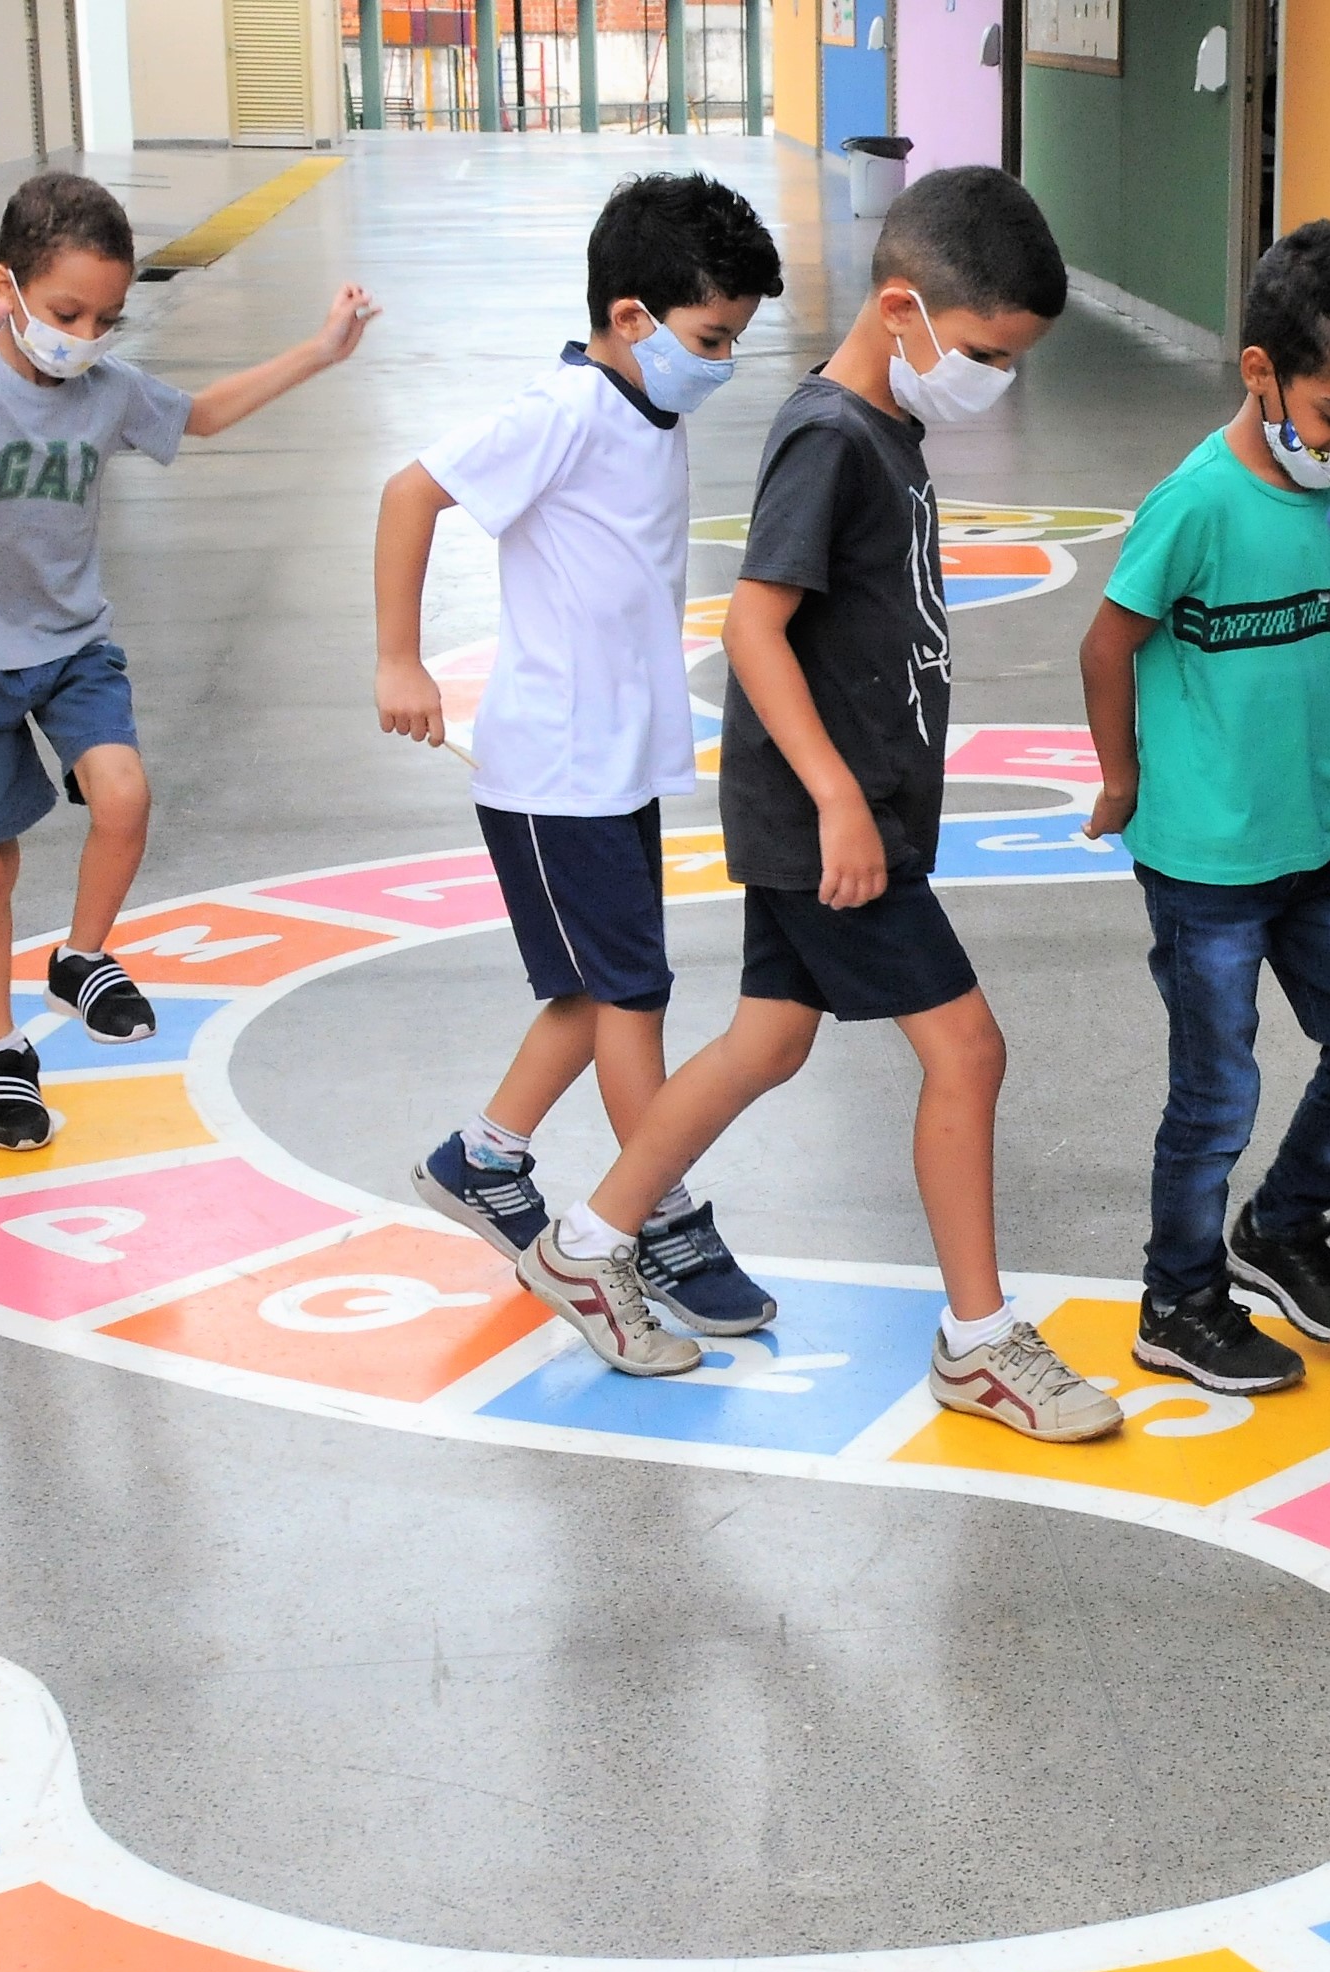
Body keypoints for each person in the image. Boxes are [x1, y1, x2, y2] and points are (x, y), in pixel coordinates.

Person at [516, 166, 1122, 1444]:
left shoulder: (885, 428)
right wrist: (842, 802)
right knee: (968, 1049)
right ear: (900, 307)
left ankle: (586, 1240)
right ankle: (976, 1339)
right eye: (981, 352)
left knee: (766, 1042)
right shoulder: (828, 435)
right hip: (829, 826)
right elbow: (751, 626)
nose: (991, 380)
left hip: (846, 818)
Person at [0, 170, 374, 1151]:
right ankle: (1, 1049)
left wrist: (319, 349)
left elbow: (204, 415)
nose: (87, 335)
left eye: (107, 317)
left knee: (126, 796)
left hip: (69, 645)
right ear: (3, 288)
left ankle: (81, 956)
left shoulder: (104, 392)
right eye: (66, 312)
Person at [377, 172, 784, 1336]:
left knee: (588, 988)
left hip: (606, 763)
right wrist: (399, 661)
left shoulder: (642, 411)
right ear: (628, 318)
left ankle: (485, 1160)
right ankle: (655, 1217)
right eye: (710, 338)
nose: (720, 362)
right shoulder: (559, 410)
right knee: (631, 998)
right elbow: (411, 492)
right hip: (557, 770)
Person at [1078, 219, 1330, 1396]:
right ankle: (1175, 1300)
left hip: (1312, 842)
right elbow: (1106, 640)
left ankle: (1280, 1228)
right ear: (1260, 373)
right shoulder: (1196, 504)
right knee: (1216, 1088)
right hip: (1205, 861)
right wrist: (1121, 778)